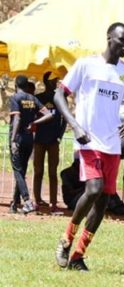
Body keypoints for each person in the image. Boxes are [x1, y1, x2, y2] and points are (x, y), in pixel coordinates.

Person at [53, 22, 124, 271]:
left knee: (103, 201)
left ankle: (78, 255)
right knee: (93, 189)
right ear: (109, 38)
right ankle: (66, 239)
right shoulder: (86, 64)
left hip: (112, 144)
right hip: (88, 140)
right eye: (121, 40)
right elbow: (59, 95)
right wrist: (74, 126)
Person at [8, 76, 53, 214]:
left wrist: (13, 140)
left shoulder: (15, 98)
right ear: (27, 86)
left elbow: (17, 118)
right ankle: (15, 203)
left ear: (16, 85)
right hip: (29, 139)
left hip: (18, 138)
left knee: (17, 171)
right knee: (21, 171)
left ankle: (27, 201)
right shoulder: (33, 98)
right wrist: (34, 123)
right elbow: (49, 115)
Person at [32, 71, 68, 215]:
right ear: (47, 82)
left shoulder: (60, 98)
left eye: (57, 81)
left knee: (53, 172)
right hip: (39, 140)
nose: (56, 83)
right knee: (38, 171)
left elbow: (65, 119)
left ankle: (53, 204)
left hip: (54, 141)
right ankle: (37, 201)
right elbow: (32, 116)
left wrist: (60, 136)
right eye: (54, 81)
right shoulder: (38, 97)